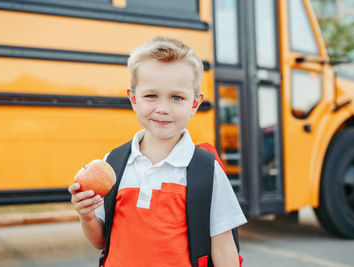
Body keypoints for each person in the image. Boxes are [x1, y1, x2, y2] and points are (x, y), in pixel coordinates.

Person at [68, 36, 247, 266]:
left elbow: (224, 251)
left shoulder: (206, 170)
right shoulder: (113, 163)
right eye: (151, 95)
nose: (163, 108)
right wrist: (87, 215)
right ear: (133, 98)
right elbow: (101, 241)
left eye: (176, 97)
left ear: (195, 103)